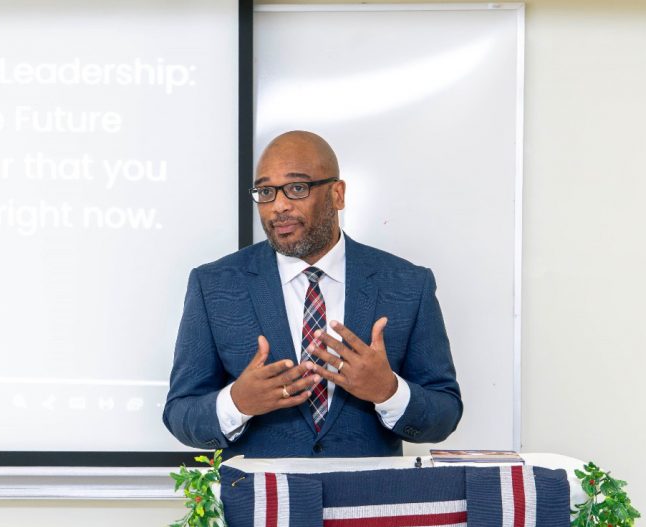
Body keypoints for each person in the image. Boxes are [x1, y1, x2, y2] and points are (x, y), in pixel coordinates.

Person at [163, 131, 461, 457]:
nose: (278, 206)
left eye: (296, 188)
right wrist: (237, 403)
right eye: (265, 191)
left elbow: (444, 413)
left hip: (367, 504)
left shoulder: (406, 284)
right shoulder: (214, 285)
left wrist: (388, 391)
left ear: (337, 194)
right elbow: (180, 414)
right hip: (262, 504)